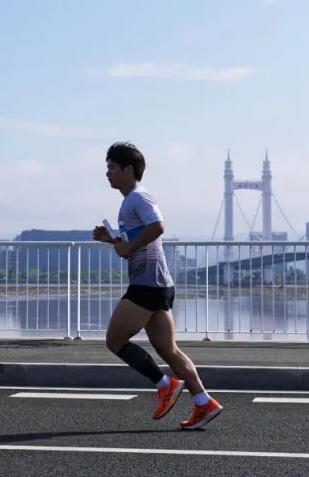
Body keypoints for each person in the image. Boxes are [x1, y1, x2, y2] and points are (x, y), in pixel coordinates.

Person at [92, 142, 223, 429]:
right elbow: (132, 246)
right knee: (169, 350)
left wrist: (127, 247)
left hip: (147, 284)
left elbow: (158, 227)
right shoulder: (130, 201)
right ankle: (203, 402)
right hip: (158, 284)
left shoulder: (137, 198)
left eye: (112, 168)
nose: (108, 174)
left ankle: (164, 385)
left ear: (128, 169)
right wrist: (112, 241)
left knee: (114, 341)